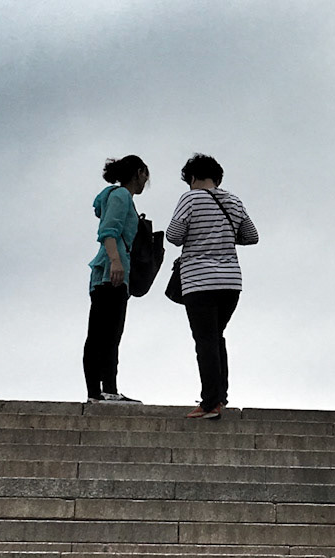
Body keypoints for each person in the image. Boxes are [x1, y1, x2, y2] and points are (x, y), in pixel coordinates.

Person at [166, 155, 258, 420]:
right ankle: (220, 396)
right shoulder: (234, 201)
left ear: (192, 177)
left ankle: (210, 403)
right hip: (230, 283)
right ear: (217, 177)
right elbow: (251, 236)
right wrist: (223, 237)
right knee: (216, 337)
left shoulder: (190, 199)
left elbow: (173, 236)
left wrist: (200, 236)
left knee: (205, 340)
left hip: (199, 281)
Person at [84, 156, 150, 404]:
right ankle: (104, 391)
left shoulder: (118, 197)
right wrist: (116, 262)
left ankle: (100, 391)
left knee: (103, 333)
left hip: (109, 273)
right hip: (110, 274)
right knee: (107, 334)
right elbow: (108, 232)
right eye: (145, 176)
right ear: (139, 172)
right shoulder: (121, 196)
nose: (145, 182)